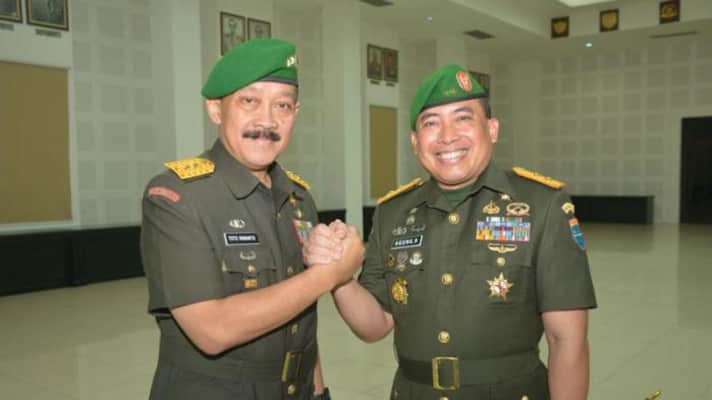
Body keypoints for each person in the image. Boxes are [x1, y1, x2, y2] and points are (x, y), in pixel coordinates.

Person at [304, 64, 597, 399]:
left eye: (463, 118)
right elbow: (374, 326)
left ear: (492, 129)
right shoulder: (392, 213)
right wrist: (339, 276)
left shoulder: (541, 206)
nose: (447, 136)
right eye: (431, 123)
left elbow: (567, 341)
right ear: (415, 142)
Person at [141, 38, 363, 400]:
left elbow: (300, 316)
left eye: (282, 105)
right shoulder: (177, 197)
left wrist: (318, 391)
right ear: (216, 109)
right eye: (249, 101)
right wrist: (330, 275)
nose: (267, 120)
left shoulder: (299, 199)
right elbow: (212, 330)